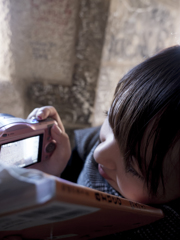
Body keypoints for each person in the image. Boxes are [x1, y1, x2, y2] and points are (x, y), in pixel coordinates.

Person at [5, 45, 180, 239]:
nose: (99, 154)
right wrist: (52, 174)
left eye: (132, 167)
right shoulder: (88, 150)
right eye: (111, 120)